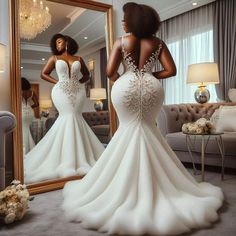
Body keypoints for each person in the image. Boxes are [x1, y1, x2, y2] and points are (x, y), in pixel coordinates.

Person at [62, 3, 223, 235]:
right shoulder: (157, 43)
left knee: (129, 127)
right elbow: (171, 70)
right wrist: (149, 75)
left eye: (126, 18)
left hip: (125, 86)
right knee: (148, 127)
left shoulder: (121, 41)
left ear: (136, 20)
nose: (123, 22)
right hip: (151, 87)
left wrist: (127, 78)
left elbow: (109, 73)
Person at [24, 34, 104, 184]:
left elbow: (87, 75)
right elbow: (43, 74)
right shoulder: (54, 58)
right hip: (61, 91)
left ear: (67, 42)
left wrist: (78, 83)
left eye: (60, 41)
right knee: (67, 117)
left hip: (77, 91)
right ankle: (65, 160)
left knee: (76, 117)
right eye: (56, 43)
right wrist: (59, 82)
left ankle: (83, 158)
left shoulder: (78, 59)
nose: (58, 44)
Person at [21, 77, 39, 154]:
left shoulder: (18, 91)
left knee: (23, 129)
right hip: (30, 112)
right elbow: (37, 104)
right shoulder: (32, 92)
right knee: (26, 129)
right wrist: (29, 107)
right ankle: (30, 149)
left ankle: (25, 150)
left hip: (21, 111)